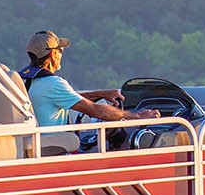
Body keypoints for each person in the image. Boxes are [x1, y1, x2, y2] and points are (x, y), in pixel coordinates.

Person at [18, 30, 158, 127]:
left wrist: (101, 94)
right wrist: (138, 116)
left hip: (33, 144)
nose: (61, 54)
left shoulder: (22, 80)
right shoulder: (53, 83)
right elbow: (96, 111)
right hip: (53, 147)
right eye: (60, 50)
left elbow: (68, 98)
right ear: (52, 55)